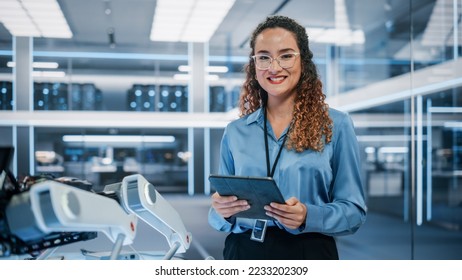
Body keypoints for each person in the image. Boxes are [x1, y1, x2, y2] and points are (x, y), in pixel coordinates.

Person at [208, 15, 367, 260]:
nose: (274, 67)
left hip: (308, 250)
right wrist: (222, 211)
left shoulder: (336, 125)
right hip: (243, 250)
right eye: (264, 57)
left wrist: (308, 215)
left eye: (286, 55)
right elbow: (218, 213)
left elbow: (354, 211)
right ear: (254, 65)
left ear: (303, 61)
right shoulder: (236, 131)